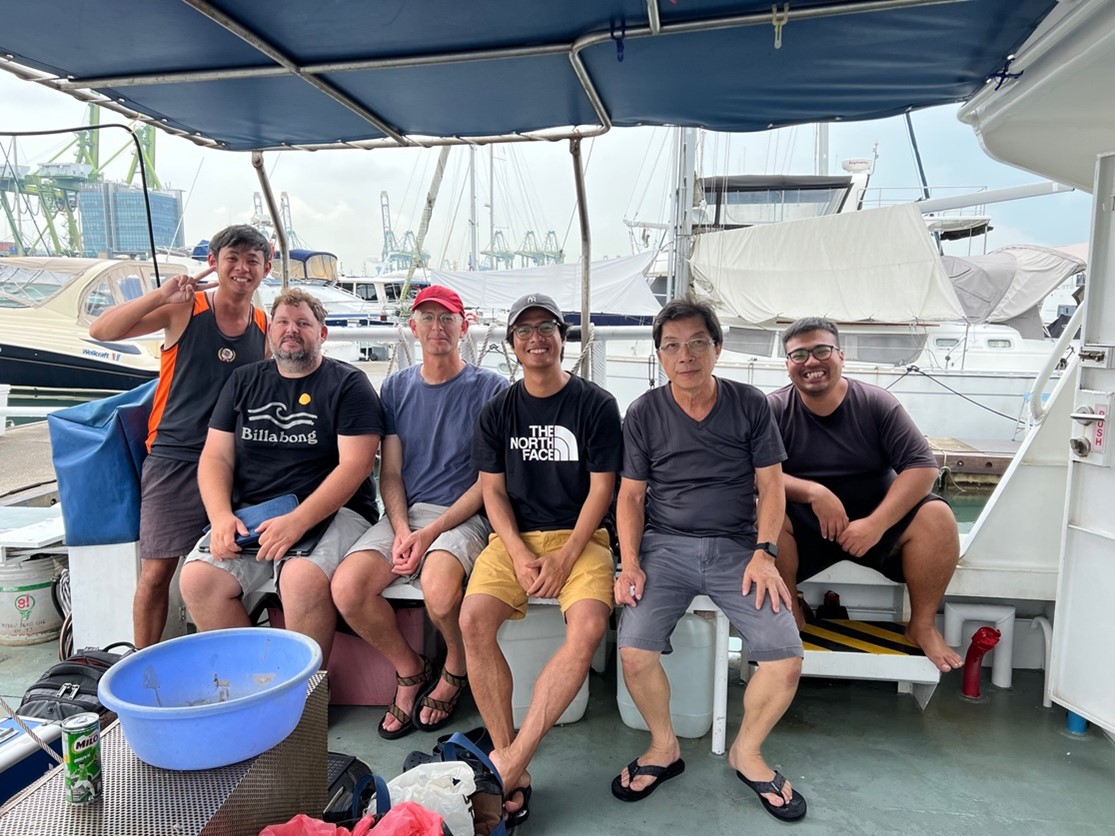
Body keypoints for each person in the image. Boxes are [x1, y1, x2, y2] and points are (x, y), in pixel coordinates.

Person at [612, 296, 806, 823]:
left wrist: (765, 553)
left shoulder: (748, 404)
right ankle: (663, 747)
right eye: (671, 346)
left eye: (698, 342)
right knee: (633, 653)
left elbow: (771, 487)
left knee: (785, 658)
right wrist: (629, 563)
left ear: (717, 348)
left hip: (737, 549)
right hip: (665, 547)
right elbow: (630, 497)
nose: (685, 355)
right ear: (659, 355)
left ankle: (747, 752)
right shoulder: (645, 412)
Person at [460, 293, 622, 827]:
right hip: (514, 540)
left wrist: (565, 556)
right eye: (524, 330)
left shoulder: (595, 404)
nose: (536, 337)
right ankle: (513, 764)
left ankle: (509, 762)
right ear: (511, 345)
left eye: (547, 327)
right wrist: (520, 552)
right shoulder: (496, 411)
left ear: (563, 338)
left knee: (589, 625)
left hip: (582, 539)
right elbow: (493, 494)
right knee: (472, 621)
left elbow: (603, 491)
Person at [332, 285, 509, 740]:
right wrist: (399, 529)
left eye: (447, 318)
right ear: (412, 328)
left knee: (439, 588)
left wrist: (429, 534)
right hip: (405, 514)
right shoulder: (395, 387)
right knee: (349, 589)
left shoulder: (491, 389)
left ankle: (454, 667)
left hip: (463, 514)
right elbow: (389, 473)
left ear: (463, 326)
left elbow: (489, 483)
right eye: (427, 319)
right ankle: (410, 670)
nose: (437, 328)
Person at [88, 225, 272, 648]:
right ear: (213, 261)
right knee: (156, 573)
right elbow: (102, 332)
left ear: (265, 267)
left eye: (252, 261)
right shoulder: (185, 310)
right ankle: (143, 660)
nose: (242, 269)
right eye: (233, 258)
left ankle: (229, 654)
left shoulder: (262, 325)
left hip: (234, 465)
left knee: (233, 566)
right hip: (176, 458)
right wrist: (161, 294)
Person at [179, 288, 383, 662]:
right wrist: (221, 517)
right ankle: (252, 685)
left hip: (335, 512)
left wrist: (296, 522)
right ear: (271, 331)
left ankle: (306, 696)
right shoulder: (244, 381)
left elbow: (355, 466)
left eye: (304, 323)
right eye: (284, 323)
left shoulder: (348, 385)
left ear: (322, 334)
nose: (292, 330)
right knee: (197, 580)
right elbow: (216, 457)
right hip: (254, 513)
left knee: (300, 579)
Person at [768, 316, 962, 672]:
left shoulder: (876, 404)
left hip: (875, 528)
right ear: (788, 365)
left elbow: (922, 467)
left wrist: (875, 524)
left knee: (938, 516)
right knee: (764, 513)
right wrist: (813, 492)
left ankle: (921, 625)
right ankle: (791, 611)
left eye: (821, 350)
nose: (811, 362)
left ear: (840, 355)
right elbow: (755, 476)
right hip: (805, 533)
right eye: (799, 355)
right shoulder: (774, 410)